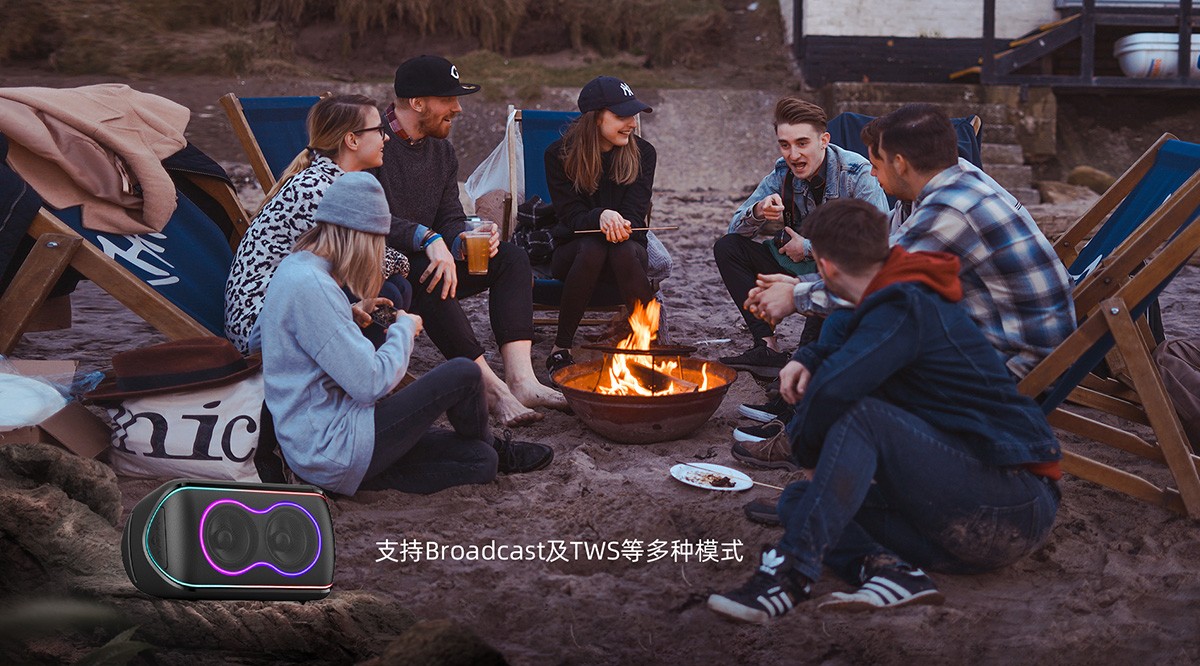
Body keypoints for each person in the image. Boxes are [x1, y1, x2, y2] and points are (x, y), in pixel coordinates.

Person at [707, 198, 1062, 623]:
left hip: (1012, 505)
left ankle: (792, 573)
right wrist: (809, 358)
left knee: (861, 417)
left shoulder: (907, 302)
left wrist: (807, 455)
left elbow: (835, 392)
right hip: (951, 528)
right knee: (800, 500)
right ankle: (890, 572)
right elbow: (840, 340)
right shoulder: (877, 296)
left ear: (825, 267)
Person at [736, 103, 1075, 467]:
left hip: (1019, 365)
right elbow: (879, 256)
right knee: (849, 319)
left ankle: (808, 442)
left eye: (876, 164)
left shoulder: (951, 209)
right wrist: (805, 285)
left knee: (865, 333)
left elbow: (879, 280)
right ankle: (802, 429)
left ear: (899, 164)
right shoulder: (948, 182)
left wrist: (794, 295)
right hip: (992, 335)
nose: (872, 174)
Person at [257, 172, 553, 496]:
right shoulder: (312, 285)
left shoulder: (297, 268)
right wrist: (404, 329)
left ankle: (487, 451)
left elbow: (281, 336)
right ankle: (494, 444)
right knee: (464, 373)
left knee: (480, 462)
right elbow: (370, 383)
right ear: (359, 236)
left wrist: (349, 312)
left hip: (325, 449)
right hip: (334, 444)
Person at [375, 54, 567, 427]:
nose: (458, 109)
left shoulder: (442, 151)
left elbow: (448, 215)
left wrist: (464, 236)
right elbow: (366, 217)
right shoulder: (373, 141)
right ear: (418, 103)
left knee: (511, 258)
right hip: (383, 267)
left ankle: (522, 381)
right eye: (448, 99)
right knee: (429, 272)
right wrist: (427, 238)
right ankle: (491, 390)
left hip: (434, 256)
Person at [713, 97, 888, 377]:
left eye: (802, 143)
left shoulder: (858, 173)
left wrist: (807, 247)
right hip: (796, 265)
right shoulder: (782, 172)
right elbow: (735, 228)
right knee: (728, 247)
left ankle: (803, 365)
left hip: (840, 273)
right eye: (785, 145)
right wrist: (759, 211)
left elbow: (878, 245)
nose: (793, 155)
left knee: (804, 359)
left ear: (824, 140)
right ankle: (767, 347)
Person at [224, 93, 411, 353]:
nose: (386, 137)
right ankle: (359, 366)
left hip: (289, 305)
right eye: (379, 130)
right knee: (388, 290)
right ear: (352, 140)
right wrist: (406, 258)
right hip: (261, 326)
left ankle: (365, 362)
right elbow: (366, 264)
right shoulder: (317, 190)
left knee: (395, 288)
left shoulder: (326, 179)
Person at [541, 76, 657, 373]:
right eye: (622, 116)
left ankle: (649, 346)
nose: (632, 123)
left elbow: (636, 214)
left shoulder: (644, 154)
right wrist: (600, 216)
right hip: (575, 255)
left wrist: (618, 223)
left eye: (633, 115)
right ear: (595, 118)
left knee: (621, 248)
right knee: (593, 246)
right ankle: (561, 347)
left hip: (627, 255)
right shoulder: (559, 155)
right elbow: (570, 216)